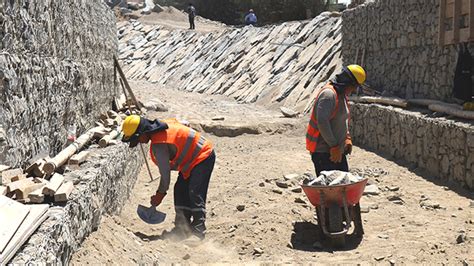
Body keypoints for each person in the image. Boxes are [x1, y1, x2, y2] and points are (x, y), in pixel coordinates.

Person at [122, 115, 215, 240]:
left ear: (142, 132)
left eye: (137, 139)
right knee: (180, 190)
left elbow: (165, 177)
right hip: (190, 161)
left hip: (203, 155)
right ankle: (182, 229)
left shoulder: (159, 144)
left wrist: (160, 194)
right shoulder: (159, 126)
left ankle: (198, 231)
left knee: (195, 191)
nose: (139, 142)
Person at [306, 65, 366, 176]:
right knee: (329, 189)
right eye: (354, 86)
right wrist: (334, 146)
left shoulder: (341, 95)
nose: (353, 90)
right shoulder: (329, 94)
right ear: (348, 82)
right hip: (324, 152)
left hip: (337, 151)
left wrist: (347, 139)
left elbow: (342, 120)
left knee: (342, 186)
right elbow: (322, 122)